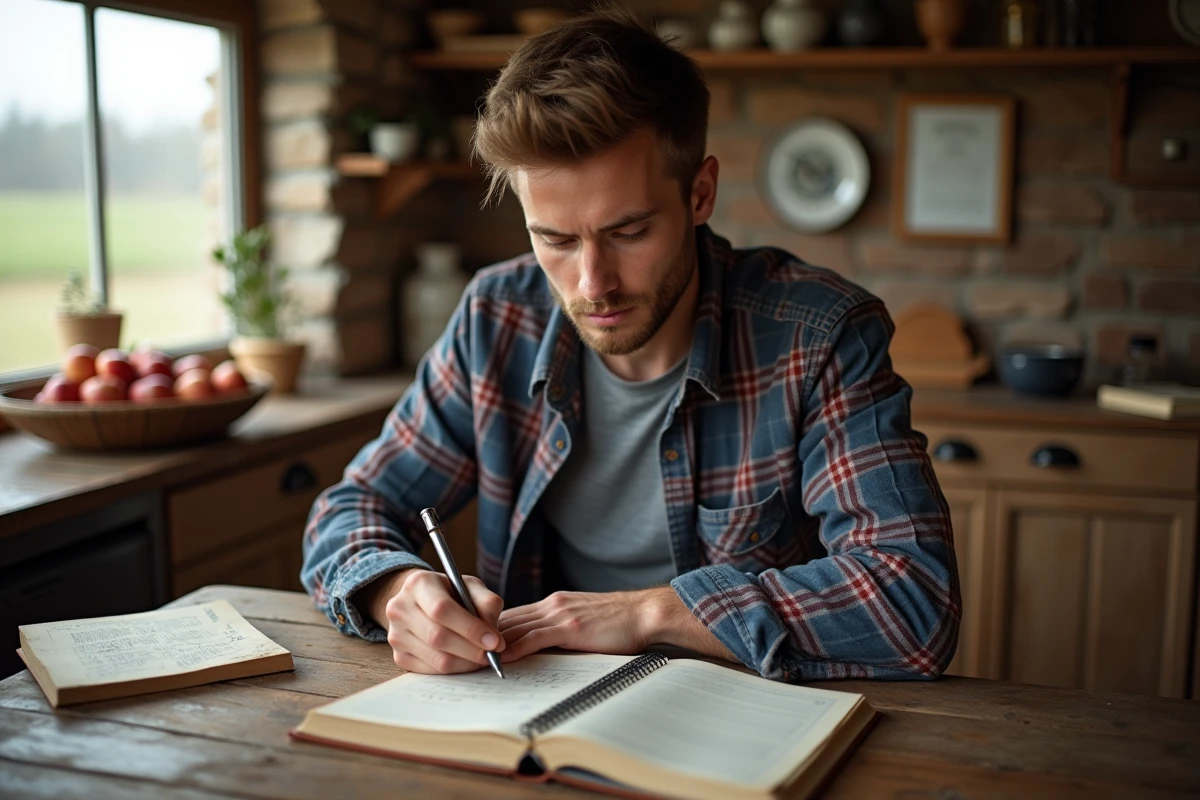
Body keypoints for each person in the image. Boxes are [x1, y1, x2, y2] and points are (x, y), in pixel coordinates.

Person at [301, 7, 959, 683]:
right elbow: (351, 510)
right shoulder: (496, 317)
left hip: (745, 720)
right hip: (535, 711)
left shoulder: (818, 337)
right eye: (555, 239)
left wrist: (651, 615)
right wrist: (396, 592)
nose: (593, 284)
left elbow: (913, 599)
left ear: (699, 194)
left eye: (629, 232)